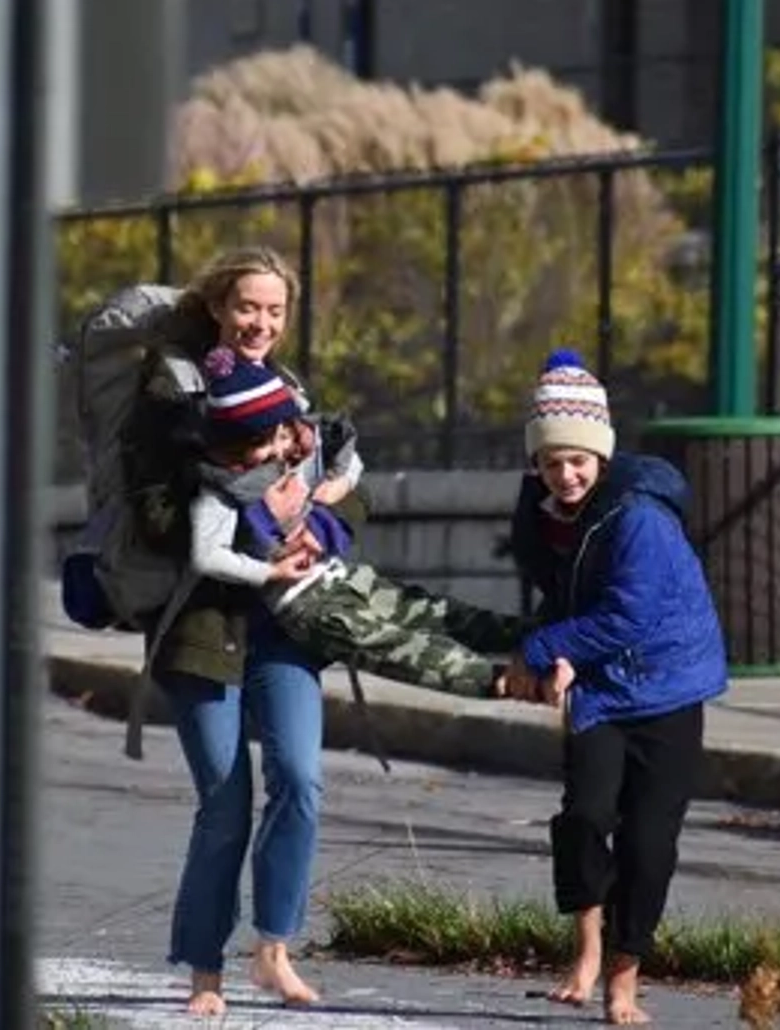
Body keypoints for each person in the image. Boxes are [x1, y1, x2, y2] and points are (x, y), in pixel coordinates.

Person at [119, 247, 348, 1015]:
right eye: (248, 307)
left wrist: (322, 529)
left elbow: (343, 492)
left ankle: (273, 950)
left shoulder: (290, 392)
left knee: (302, 781)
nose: (261, 323)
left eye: (276, 311)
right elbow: (152, 516)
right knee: (224, 802)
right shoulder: (172, 391)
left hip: (283, 625)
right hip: (200, 624)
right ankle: (205, 975)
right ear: (219, 306)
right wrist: (249, 514)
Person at [503, 350, 730, 1026]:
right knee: (584, 818)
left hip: (667, 686)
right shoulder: (543, 514)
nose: (565, 474)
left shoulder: (640, 517)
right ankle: (587, 950)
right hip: (603, 686)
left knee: (648, 844)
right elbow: (563, 593)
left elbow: (629, 613)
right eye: (551, 462)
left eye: (577, 460)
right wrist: (563, 650)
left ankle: (624, 981)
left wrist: (543, 649)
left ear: (601, 455)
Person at [187, 344, 572, 700]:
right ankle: (512, 682)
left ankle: (549, 639)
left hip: (340, 577)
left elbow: (351, 461)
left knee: (434, 611)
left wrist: (335, 487)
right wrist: (268, 572)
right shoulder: (223, 491)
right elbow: (207, 557)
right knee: (399, 648)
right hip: (305, 605)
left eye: (283, 436)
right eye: (262, 444)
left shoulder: (292, 453)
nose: (277, 450)